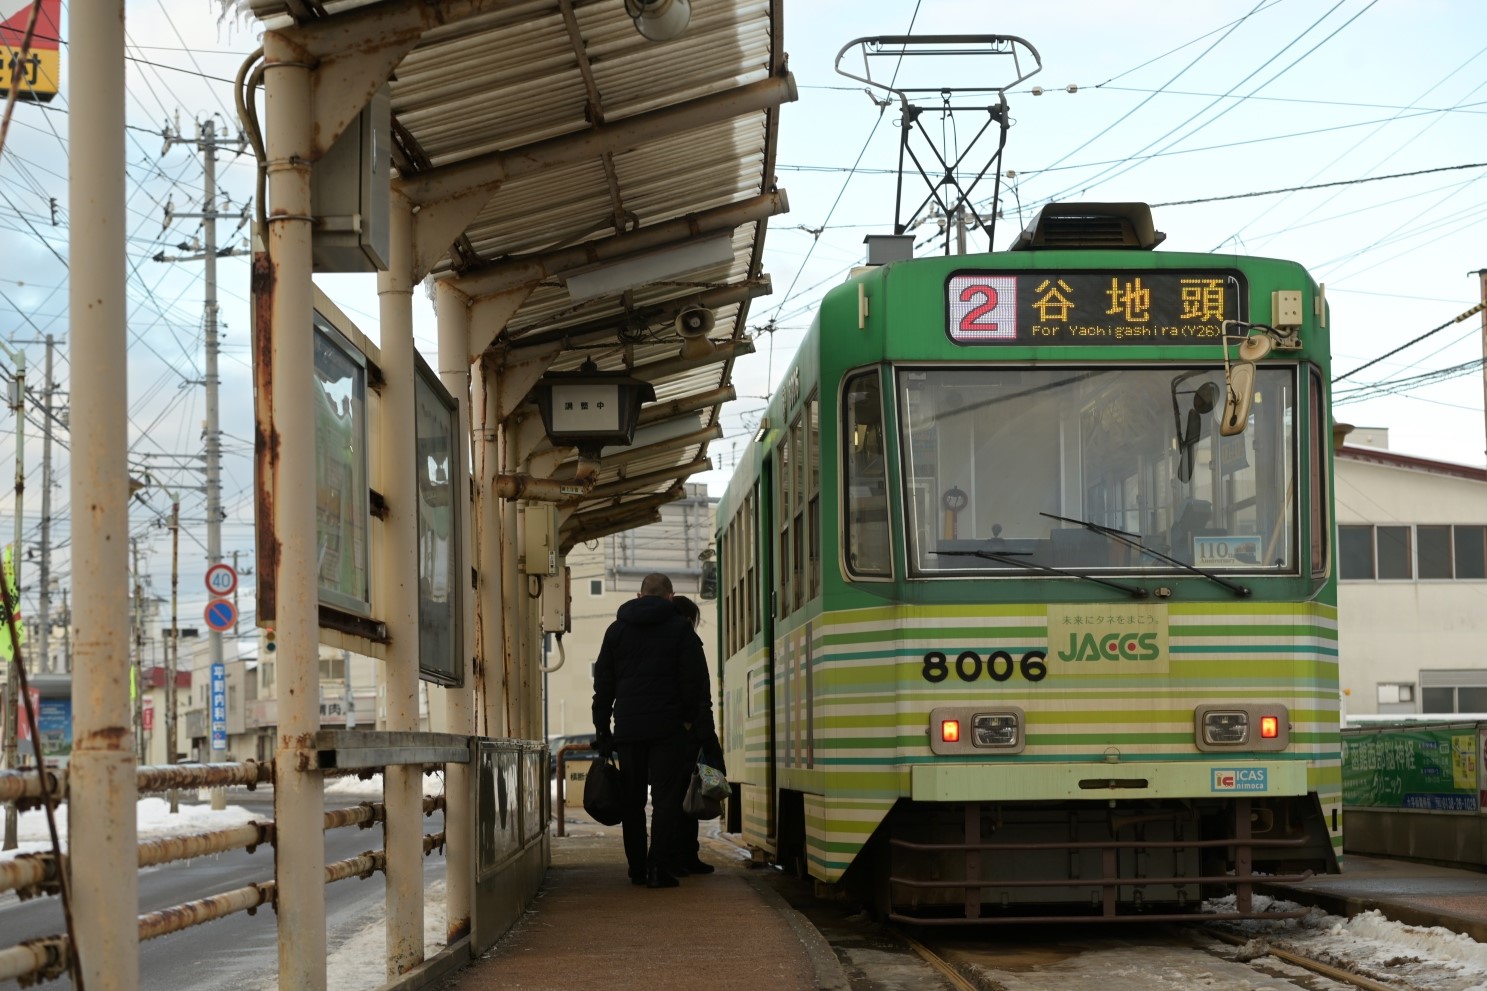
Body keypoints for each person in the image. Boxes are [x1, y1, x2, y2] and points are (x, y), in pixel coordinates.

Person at [592, 573, 714, 888]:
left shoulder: (616, 631)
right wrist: (688, 719)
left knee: (632, 801)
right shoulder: (680, 630)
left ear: (639, 595)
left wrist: (603, 728)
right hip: (668, 729)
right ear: (670, 598)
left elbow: (603, 686)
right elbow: (695, 680)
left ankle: (636, 868)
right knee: (666, 799)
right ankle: (658, 868)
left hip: (629, 729)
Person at [671, 594, 725, 877]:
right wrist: (707, 736)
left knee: (669, 799)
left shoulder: (658, 643)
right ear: (690, 619)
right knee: (688, 796)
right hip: (686, 733)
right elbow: (698, 695)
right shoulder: (689, 644)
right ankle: (685, 857)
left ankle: (668, 858)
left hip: (660, 731)